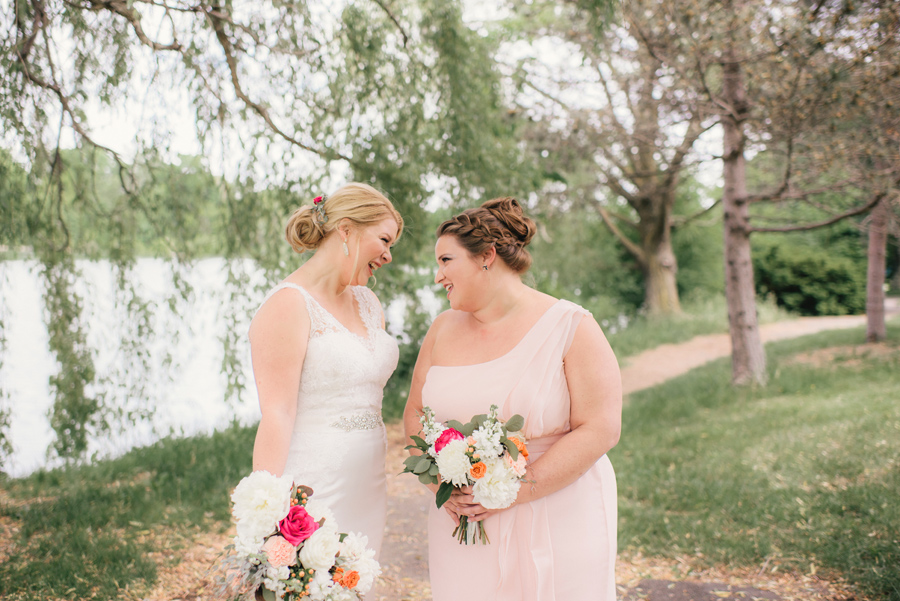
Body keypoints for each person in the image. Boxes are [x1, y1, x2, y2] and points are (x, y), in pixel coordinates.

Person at [403, 197, 621, 601]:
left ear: (486, 256)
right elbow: (415, 414)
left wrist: (510, 492)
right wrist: (443, 482)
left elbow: (601, 428)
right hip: (463, 524)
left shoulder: (571, 326)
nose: (438, 276)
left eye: (446, 261)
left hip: (559, 513)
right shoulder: (441, 329)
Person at [249, 182, 403, 557]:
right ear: (346, 230)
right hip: (315, 484)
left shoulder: (369, 303)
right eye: (383, 240)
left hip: (368, 481)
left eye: (391, 246)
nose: (388, 256)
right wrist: (265, 513)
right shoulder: (288, 305)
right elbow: (277, 413)